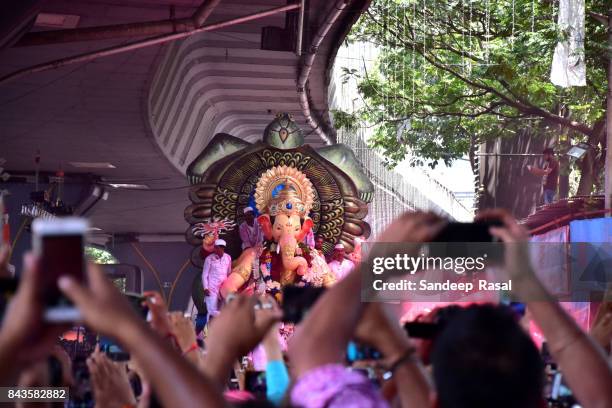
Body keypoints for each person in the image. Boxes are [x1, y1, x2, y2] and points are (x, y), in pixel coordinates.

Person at [202, 239, 232, 321]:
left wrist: (229, 288)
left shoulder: (228, 257)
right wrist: (205, 288)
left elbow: (229, 273)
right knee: (211, 311)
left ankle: (221, 331)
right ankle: (208, 332)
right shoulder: (209, 259)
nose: (221, 249)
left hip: (223, 288)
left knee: (223, 310)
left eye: (222, 248)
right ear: (215, 248)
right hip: (212, 289)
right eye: (219, 247)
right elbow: (205, 275)